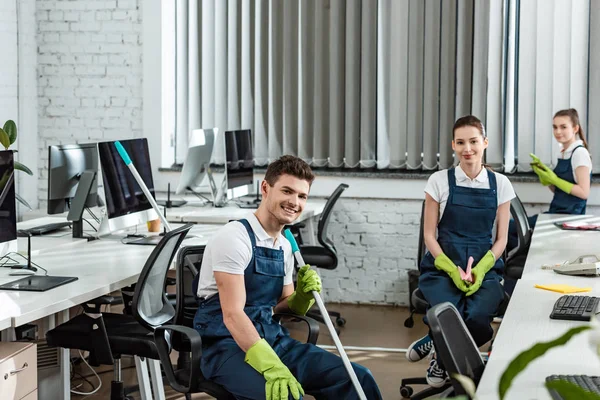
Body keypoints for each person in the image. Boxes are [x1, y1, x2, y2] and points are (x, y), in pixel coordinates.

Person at [193, 155, 382, 400]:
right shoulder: (234, 238)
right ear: (265, 188)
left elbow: (282, 305)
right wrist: (270, 365)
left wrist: (302, 297)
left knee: (358, 378)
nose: (295, 202)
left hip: (273, 339)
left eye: (302, 196)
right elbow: (233, 315)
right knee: (286, 396)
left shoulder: (284, 246)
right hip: (226, 347)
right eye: (287, 191)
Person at [405, 116, 515, 388]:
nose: (468, 148)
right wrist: (451, 269)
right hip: (442, 266)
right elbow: (429, 235)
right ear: (453, 145)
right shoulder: (439, 181)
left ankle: (437, 347)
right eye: (461, 142)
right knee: (448, 311)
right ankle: (442, 358)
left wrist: (481, 268)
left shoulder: (500, 184)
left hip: (484, 267)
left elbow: (501, 240)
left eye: (474, 141)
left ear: (485, 143)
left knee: (476, 318)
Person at [507, 108, 592, 253]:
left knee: (511, 228)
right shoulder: (564, 152)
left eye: (563, 127)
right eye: (555, 127)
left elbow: (584, 192)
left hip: (569, 217)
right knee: (510, 226)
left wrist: (555, 179)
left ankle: (516, 266)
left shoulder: (580, 153)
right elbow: (558, 190)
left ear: (575, 128)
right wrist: (545, 177)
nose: (558, 131)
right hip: (556, 213)